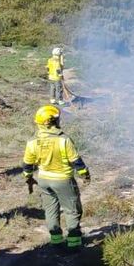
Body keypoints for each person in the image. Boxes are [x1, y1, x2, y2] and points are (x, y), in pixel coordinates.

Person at [22, 104, 90, 249]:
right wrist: (85, 175)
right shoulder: (63, 140)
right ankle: (74, 243)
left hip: (44, 180)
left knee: (51, 210)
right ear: (52, 121)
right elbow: (76, 161)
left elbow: (27, 165)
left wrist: (28, 178)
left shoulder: (32, 141)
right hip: (63, 180)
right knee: (72, 210)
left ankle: (56, 242)